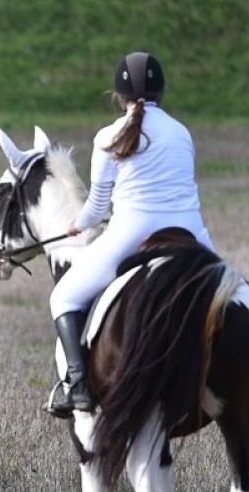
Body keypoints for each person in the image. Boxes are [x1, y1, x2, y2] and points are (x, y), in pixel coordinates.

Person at [46, 51, 215, 417]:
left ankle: (77, 386)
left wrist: (78, 224)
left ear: (118, 95)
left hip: (130, 235)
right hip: (191, 233)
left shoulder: (108, 136)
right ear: (161, 92)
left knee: (63, 297)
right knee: (230, 292)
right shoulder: (182, 133)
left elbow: (98, 207)